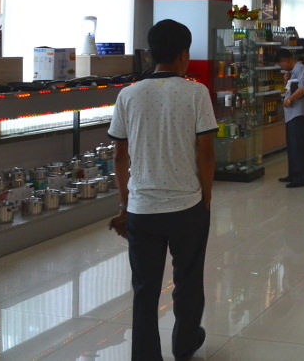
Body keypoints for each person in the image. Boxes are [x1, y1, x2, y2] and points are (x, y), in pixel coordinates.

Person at [107, 19, 218, 361]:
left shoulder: (129, 94)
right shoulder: (196, 92)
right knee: (187, 282)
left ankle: (145, 355)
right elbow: (206, 153)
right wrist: (206, 199)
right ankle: (184, 344)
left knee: (145, 289)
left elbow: (119, 156)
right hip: (187, 207)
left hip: (142, 209)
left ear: (150, 54)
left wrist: (126, 204)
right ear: (184, 54)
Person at [276, 49, 304, 188]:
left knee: (297, 146)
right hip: (292, 115)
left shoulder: (301, 68)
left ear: (286, 60)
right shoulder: (294, 71)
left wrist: (290, 99)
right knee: (292, 145)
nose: (282, 67)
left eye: (281, 64)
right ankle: (293, 173)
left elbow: (303, 88)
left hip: (299, 113)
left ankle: (300, 178)